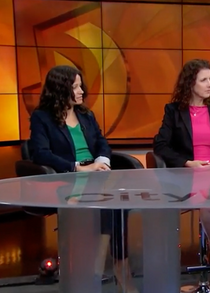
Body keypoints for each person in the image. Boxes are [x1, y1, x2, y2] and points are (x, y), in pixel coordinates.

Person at [29, 65, 138, 293]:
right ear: (60, 90)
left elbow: (102, 143)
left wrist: (102, 162)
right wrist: (78, 167)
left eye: (80, 86)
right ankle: (116, 269)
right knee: (112, 206)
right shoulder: (42, 117)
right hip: (68, 177)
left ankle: (100, 272)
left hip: (95, 173)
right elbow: (40, 152)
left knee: (119, 201)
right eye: (76, 87)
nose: (82, 91)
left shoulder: (86, 114)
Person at [153, 59, 210, 267]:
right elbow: (160, 145)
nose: (209, 84)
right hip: (192, 173)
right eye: (204, 80)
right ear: (190, 83)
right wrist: (187, 163)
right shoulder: (174, 111)